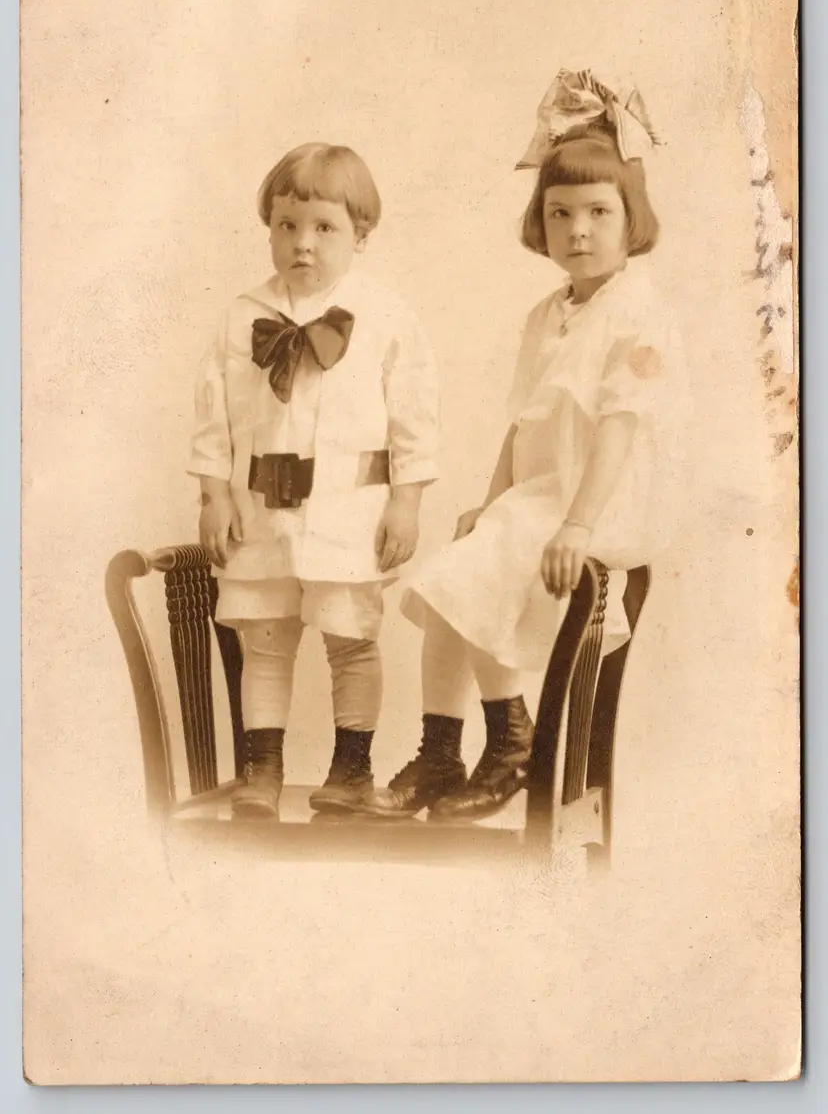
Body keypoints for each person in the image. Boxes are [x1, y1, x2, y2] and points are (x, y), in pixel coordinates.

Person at [363, 69, 689, 823]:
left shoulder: (639, 313)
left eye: (599, 212)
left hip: (601, 501)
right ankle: (442, 750)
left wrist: (577, 523)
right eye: (560, 212)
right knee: (445, 581)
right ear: (540, 223)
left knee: (468, 577)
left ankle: (511, 740)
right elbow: (523, 421)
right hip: (538, 498)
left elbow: (619, 427)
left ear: (631, 217)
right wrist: (490, 500)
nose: (578, 230)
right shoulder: (547, 314)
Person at [187, 142, 439, 817]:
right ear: (269, 227)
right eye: (286, 226)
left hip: (348, 516)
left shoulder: (386, 317)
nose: (302, 244)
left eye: (324, 228)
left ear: (361, 233)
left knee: (350, 641)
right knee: (263, 645)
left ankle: (351, 770)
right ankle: (261, 770)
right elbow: (213, 418)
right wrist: (213, 497)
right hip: (259, 515)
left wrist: (406, 505)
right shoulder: (242, 316)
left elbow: (414, 423)